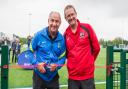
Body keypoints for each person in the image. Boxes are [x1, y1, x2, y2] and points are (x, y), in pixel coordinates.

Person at [64, 5, 100, 89]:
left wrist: (89, 62)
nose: (71, 17)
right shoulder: (65, 35)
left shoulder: (87, 27)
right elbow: (66, 55)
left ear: (76, 14)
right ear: (65, 18)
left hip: (88, 77)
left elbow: (97, 48)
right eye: (68, 16)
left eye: (72, 14)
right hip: (73, 78)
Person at [31, 11, 66, 89]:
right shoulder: (38, 35)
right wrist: (36, 64)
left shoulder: (62, 39)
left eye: (57, 21)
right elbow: (29, 52)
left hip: (53, 77)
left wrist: (57, 65)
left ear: (60, 23)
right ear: (48, 21)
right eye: (52, 20)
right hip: (38, 76)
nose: (54, 24)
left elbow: (63, 57)